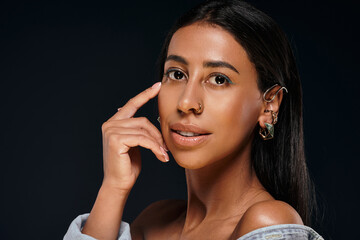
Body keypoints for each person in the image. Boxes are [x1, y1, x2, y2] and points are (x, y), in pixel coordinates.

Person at [64, 0, 324, 239]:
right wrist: (113, 187)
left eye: (219, 79)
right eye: (177, 74)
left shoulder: (268, 222)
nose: (186, 102)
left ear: (269, 105)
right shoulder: (154, 221)